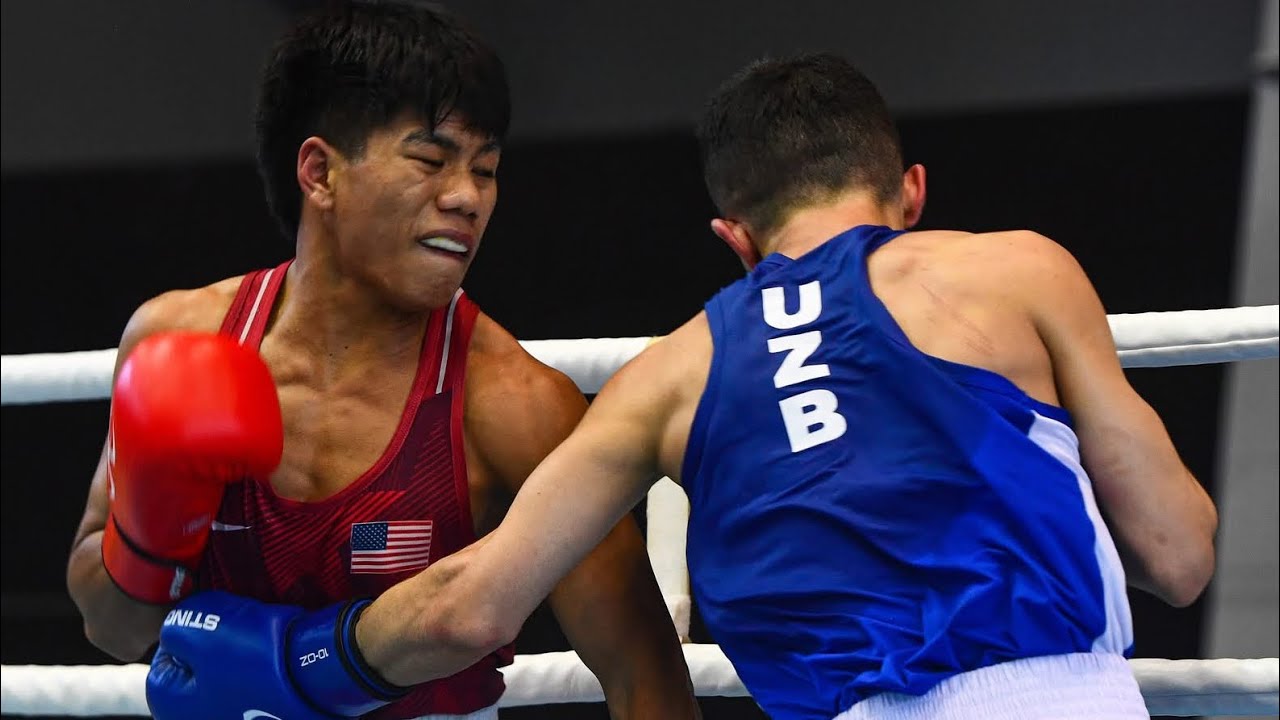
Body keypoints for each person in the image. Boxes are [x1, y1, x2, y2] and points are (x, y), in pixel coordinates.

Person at [298, 52, 1214, 719]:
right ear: (912, 193)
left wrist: (293, 656)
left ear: (733, 239)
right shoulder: (1014, 270)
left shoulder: (663, 380)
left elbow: (468, 610)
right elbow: (1177, 556)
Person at [65, 3, 699, 720]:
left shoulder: (511, 403)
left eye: (486, 170)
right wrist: (154, 533)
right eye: (430, 160)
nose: (466, 198)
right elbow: (113, 630)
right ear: (320, 173)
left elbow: (645, 677)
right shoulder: (179, 340)